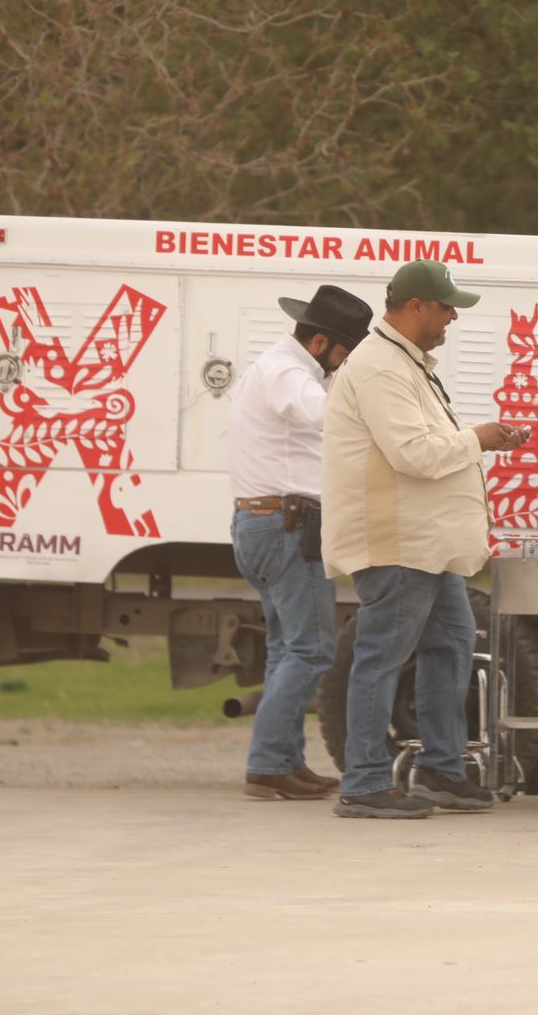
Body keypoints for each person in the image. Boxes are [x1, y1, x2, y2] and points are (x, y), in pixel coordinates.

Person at [322, 260, 529, 820]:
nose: (452, 317)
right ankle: (364, 781)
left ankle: (441, 769)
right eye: (446, 308)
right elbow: (414, 455)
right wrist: (480, 438)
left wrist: (479, 439)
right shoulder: (379, 368)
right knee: (382, 656)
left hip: (426, 545)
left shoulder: (402, 363)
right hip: (398, 544)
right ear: (416, 307)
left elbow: (426, 444)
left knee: (452, 643)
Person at [230, 284, 372, 801]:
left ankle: (284, 761)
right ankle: (268, 764)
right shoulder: (288, 373)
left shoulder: (279, 367)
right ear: (319, 342)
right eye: (345, 352)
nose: (346, 363)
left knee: (285, 649)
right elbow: (330, 416)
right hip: (287, 525)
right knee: (311, 650)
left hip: (267, 523)